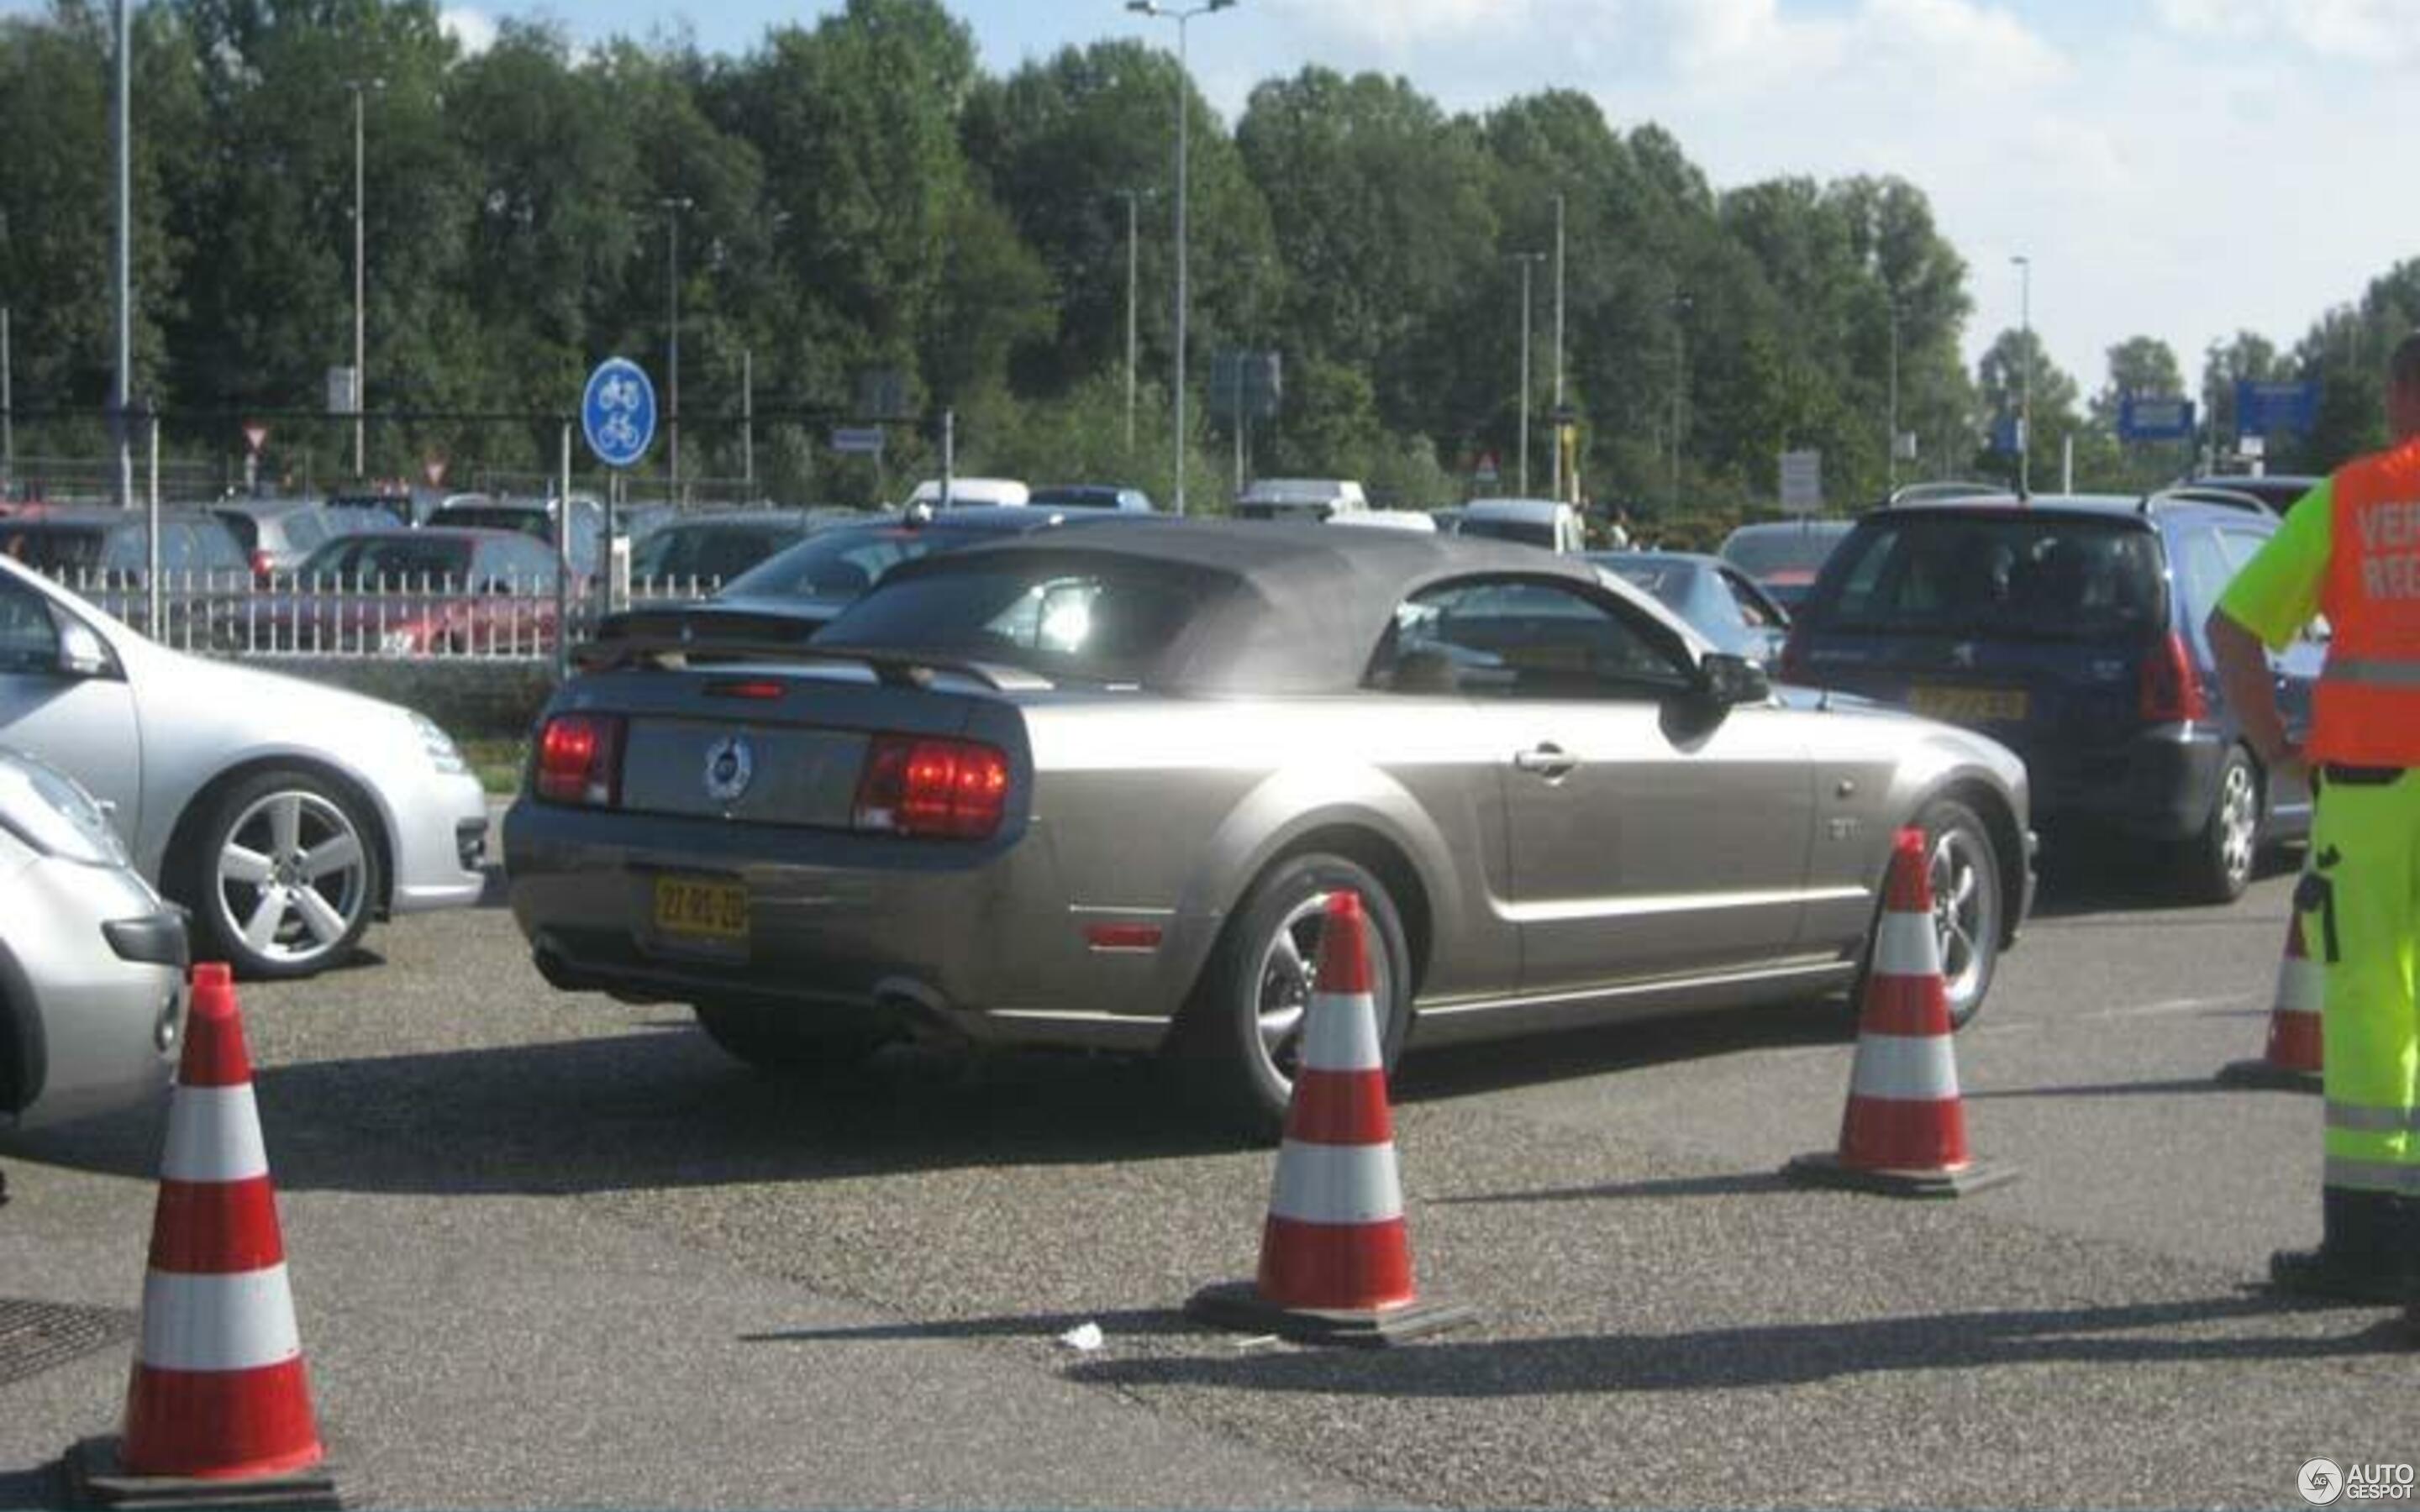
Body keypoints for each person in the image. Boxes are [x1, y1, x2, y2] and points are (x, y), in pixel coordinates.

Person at [2207, 330, 2420, 1335]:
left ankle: (2374, 1249)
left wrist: (2276, 742)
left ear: (2397, 392)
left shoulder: (2354, 497)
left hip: (2372, 796)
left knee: (2374, 1005)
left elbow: (2234, 625)